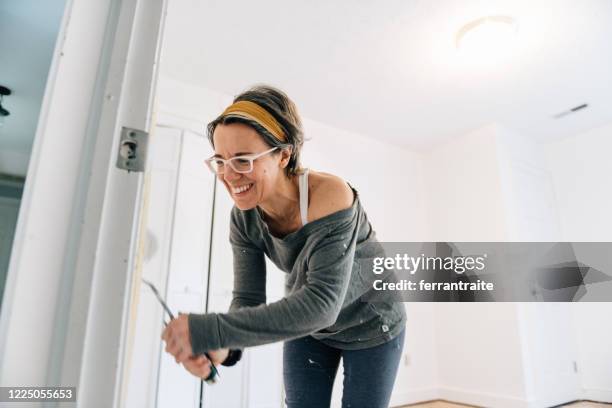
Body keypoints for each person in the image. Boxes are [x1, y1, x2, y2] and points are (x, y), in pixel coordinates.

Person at [161, 85, 406, 408]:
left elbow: (322, 304)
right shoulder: (244, 219)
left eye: (243, 160)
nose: (229, 175)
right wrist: (222, 348)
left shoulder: (330, 195)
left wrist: (213, 329)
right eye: (220, 161)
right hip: (312, 327)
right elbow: (248, 299)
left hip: (373, 322)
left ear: (284, 154)